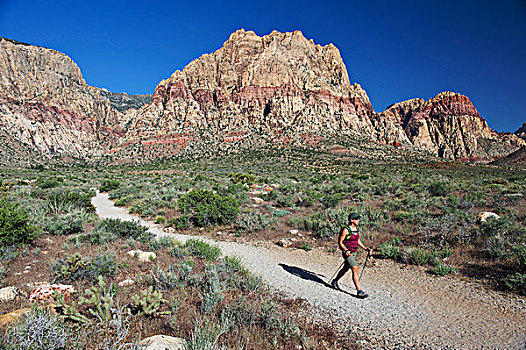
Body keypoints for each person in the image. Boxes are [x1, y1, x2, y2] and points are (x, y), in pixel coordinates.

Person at [330, 212, 372, 297]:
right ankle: (359, 291)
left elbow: (357, 240)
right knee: (355, 268)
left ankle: (335, 281)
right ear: (351, 220)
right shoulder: (345, 230)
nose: (358, 220)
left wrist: (365, 248)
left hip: (354, 252)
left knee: (346, 268)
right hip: (348, 253)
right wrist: (346, 250)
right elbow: (340, 242)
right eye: (356, 219)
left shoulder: (356, 229)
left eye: (358, 219)